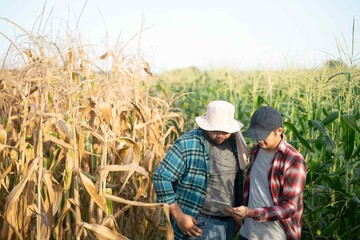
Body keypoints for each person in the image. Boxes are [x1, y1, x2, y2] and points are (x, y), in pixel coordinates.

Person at [153, 100, 248, 240]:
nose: (221, 135)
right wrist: (178, 215)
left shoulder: (236, 144)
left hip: (228, 223)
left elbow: (237, 182)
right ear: (206, 126)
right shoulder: (188, 143)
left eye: (225, 131)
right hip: (199, 223)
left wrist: (237, 219)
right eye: (216, 131)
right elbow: (161, 177)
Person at [225, 106, 306, 240]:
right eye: (256, 135)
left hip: (273, 235)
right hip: (247, 233)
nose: (259, 140)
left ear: (279, 131)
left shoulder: (293, 160)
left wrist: (251, 213)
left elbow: (290, 207)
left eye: (263, 136)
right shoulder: (256, 151)